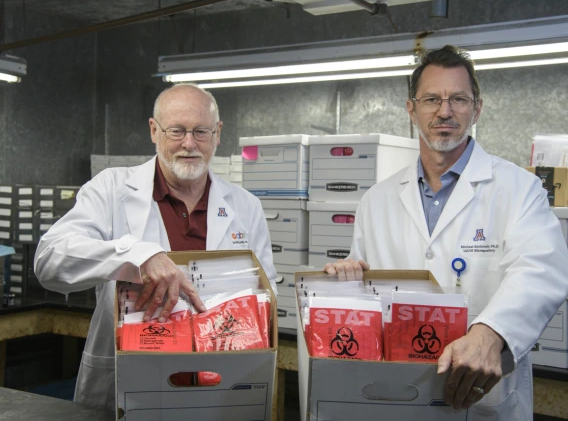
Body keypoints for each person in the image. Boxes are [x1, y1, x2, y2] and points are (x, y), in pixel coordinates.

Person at [324, 45, 568, 420]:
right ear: (411, 109)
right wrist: (343, 284)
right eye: (432, 99)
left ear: (477, 108)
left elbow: (543, 271)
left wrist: (490, 332)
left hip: (481, 396)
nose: (445, 110)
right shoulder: (377, 200)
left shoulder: (519, 188)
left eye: (458, 98)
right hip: (397, 392)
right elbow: (368, 289)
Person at [34, 83, 277, 410]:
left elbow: (267, 294)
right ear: (154, 130)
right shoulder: (111, 189)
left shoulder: (246, 206)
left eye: (201, 131)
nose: (188, 143)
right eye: (176, 130)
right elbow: (50, 261)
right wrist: (137, 254)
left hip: (220, 384)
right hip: (130, 383)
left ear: (218, 134)